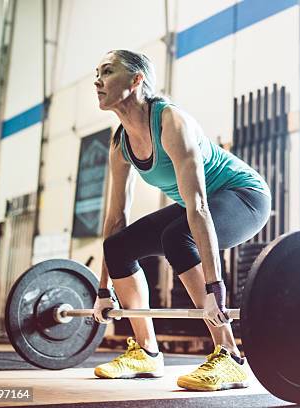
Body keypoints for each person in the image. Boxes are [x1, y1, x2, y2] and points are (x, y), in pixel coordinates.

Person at [91, 49, 270, 391]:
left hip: (245, 196)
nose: (97, 81)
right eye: (96, 73)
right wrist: (104, 289)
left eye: (107, 72)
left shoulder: (171, 122)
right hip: (199, 204)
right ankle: (146, 352)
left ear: (136, 80)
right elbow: (116, 218)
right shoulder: (120, 144)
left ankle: (230, 355)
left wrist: (214, 289)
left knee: (178, 236)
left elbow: (199, 204)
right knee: (118, 246)